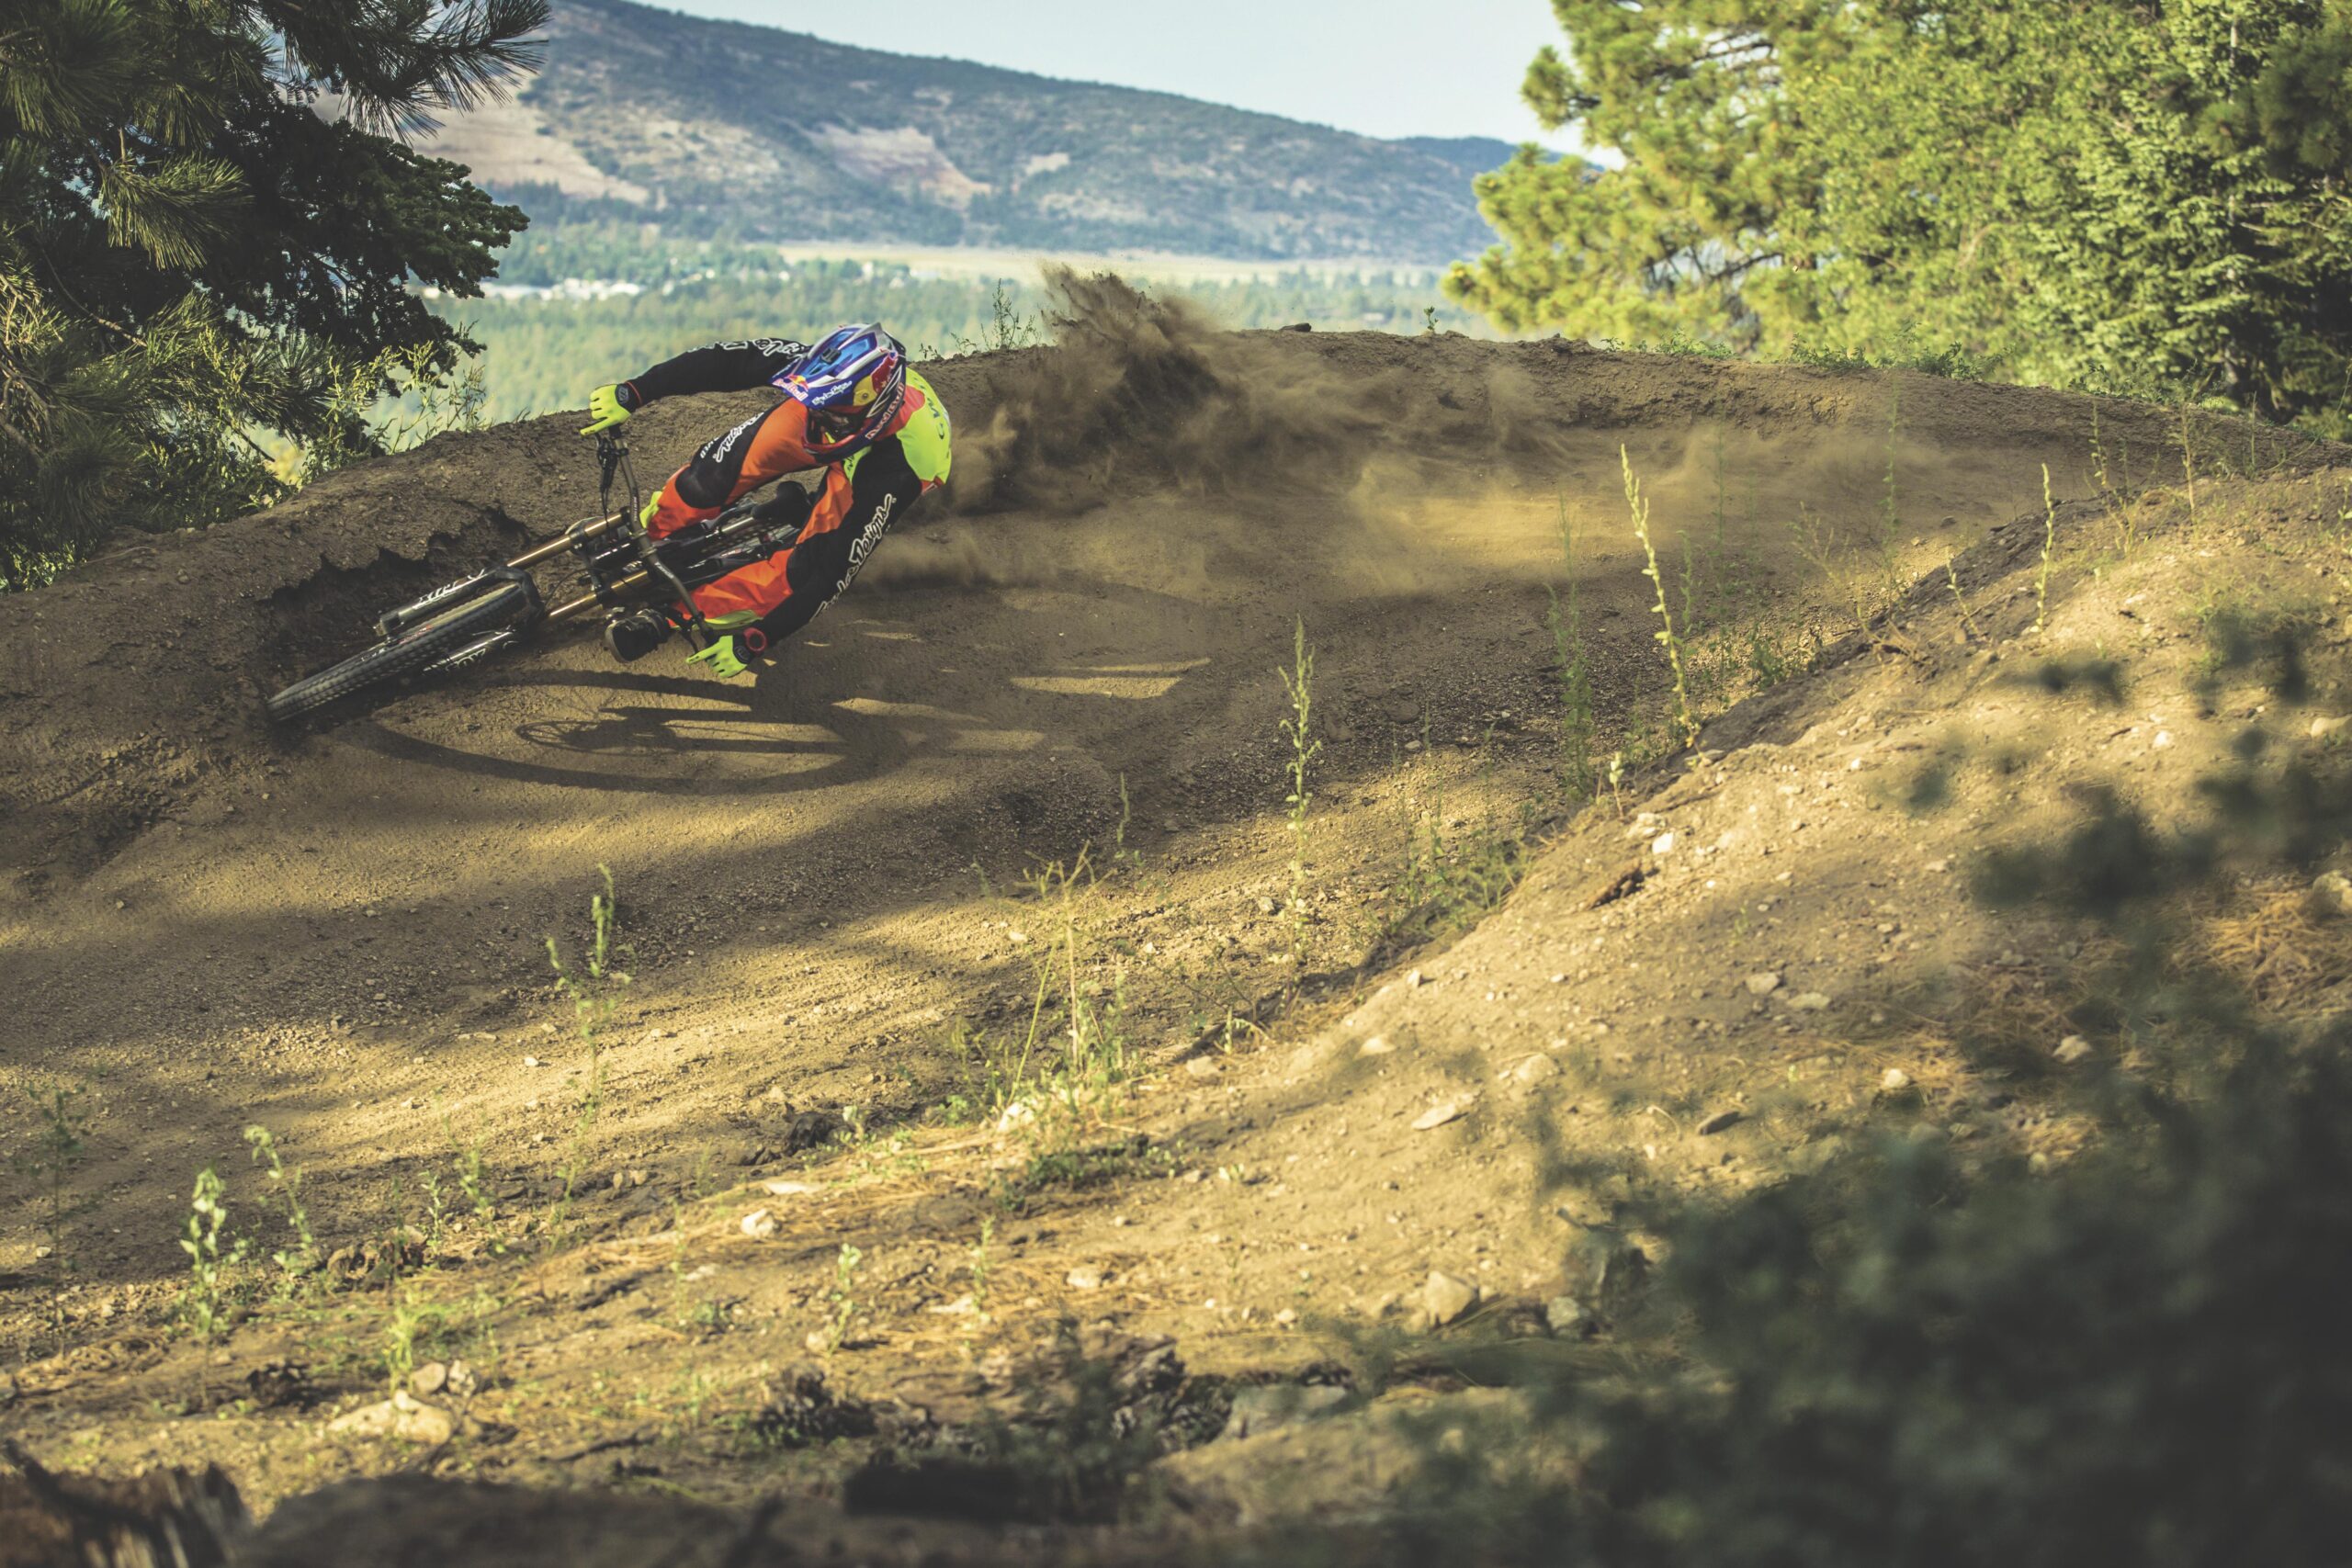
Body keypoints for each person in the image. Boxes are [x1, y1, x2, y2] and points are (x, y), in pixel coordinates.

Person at [578, 323, 953, 677]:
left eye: (830, 420)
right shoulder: (820, 378)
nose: (818, 423)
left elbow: (832, 575)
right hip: (847, 405)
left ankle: (673, 618)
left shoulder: (895, 472)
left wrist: (755, 641)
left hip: (895, 453)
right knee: (712, 477)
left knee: (806, 566)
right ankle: (648, 531)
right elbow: (726, 361)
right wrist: (635, 391)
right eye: (815, 410)